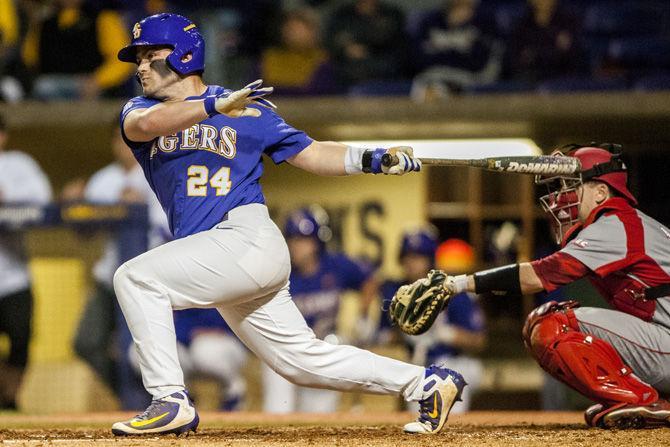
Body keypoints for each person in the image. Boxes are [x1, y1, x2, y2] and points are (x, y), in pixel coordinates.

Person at [111, 13, 463, 436]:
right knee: (300, 361)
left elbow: (312, 154)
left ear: (184, 56)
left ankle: (169, 398)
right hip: (215, 253)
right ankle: (426, 382)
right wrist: (213, 106)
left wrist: (371, 159)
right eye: (139, 59)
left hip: (244, 237)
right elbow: (145, 126)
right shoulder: (142, 108)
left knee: (134, 277)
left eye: (151, 56)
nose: (142, 67)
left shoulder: (247, 110)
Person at [402, 143, 670, 428]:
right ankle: (633, 399)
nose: (561, 196)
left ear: (601, 193)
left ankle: (639, 399)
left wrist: (457, 284)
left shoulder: (617, 224)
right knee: (548, 322)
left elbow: (537, 276)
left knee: (553, 324)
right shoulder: (630, 223)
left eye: (572, 186)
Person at [65, 126, 170, 395]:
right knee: (86, 342)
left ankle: (161, 396)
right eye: (120, 139)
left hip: (149, 278)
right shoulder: (103, 180)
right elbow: (85, 234)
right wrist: (74, 207)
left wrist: (140, 207)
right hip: (109, 276)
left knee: (136, 350)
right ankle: (132, 395)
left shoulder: (160, 171)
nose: (124, 145)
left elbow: (172, 229)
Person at [262, 206, 376, 413]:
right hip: (288, 350)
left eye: (304, 240)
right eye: (293, 240)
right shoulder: (279, 270)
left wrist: (363, 316)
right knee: (278, 405)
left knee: (317, 417)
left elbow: (369, 280)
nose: (297, 246)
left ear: (318, 242)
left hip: (323, 347)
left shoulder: (335, 265)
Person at [380, 230, 486, 413]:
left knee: (446, 410)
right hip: (416, 364)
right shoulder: (395, 292)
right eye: (407, 256)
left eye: (418, 257)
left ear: (430, 259)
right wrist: (402, 332)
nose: (411, 263)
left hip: (453, 362)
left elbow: (479, 340)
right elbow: (383, 338)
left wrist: (446, 334)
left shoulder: (450, 289)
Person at [0, 112, 52, 410]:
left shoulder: (18, 165)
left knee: (21, 341)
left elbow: (42, 197)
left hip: (14, 276)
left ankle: (8, 398)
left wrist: (6, 196)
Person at [22, 0, 134, 99]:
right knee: (42, 87)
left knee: (45, 87)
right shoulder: (43, 24)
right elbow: (29, 60)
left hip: (93, 88)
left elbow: (123, 60)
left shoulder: (103, 18)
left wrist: (98, 81)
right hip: (49, 87)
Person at [502, 0, 586, 85]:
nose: (543, 2)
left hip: (564, 79)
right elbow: (518, 58)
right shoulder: (521, 25)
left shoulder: (568, 21)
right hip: (531, 79)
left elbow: (575, 53)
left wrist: (537, 53)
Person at [257, 8, 337, 96]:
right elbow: (256, 90)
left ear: (313, 32)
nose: (293, 33)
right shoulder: (270, 58)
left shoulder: (322, 60)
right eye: (290, 28)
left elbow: (316, 93)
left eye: (299, 29)